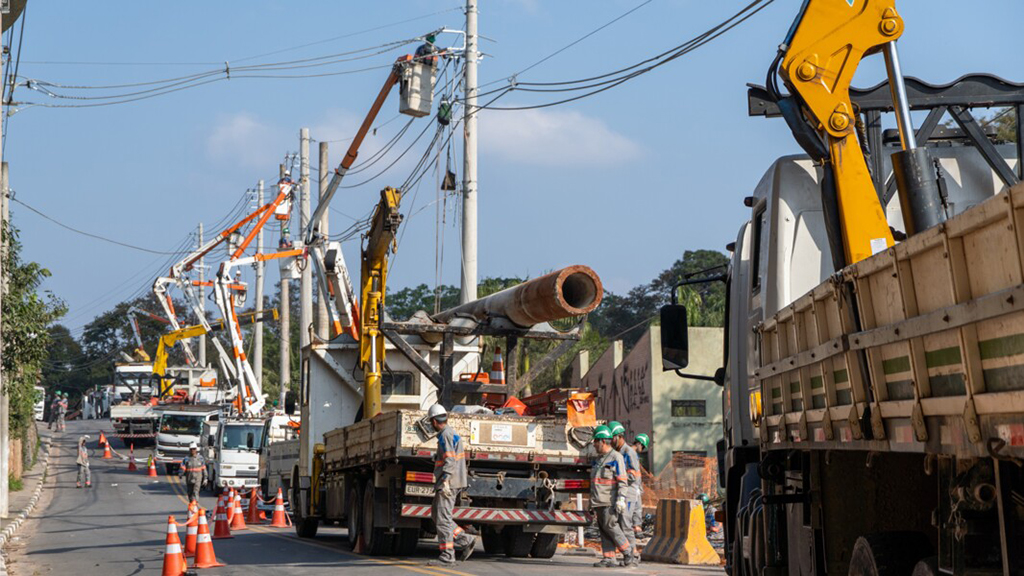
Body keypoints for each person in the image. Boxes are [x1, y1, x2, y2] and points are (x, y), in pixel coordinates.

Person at [427, 404, 474, 567]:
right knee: (436, 515)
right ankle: (465, 539)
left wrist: (446, 480)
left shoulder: (445, 435)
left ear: (434, 421)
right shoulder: (450, 433)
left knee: (442, 520)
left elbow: (449, 460)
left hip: (449, 482)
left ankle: (447, 556)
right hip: (453, 480)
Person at [590, 425, 634, 568]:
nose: (594, 444)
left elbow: (622, 481)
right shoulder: (599, 459)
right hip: (599, 501)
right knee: (604, 530)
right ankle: (609, 558)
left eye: (595, 441)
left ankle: (628, 551)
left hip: (609, 501)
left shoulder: (616, 457)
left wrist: (621, 499)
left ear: (602, 441)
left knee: (611, 527)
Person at [609, 422, 641, 565]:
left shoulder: (629, 452)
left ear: (619, 436)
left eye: (611, 438)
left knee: (626, 524)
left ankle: (633, 556)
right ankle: (630, 554)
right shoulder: (616, 452)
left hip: (628, 492)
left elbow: (633, 475)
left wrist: (616, 476)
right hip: (621, 490)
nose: (610, 441)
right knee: (620, 524)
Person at [631, 433, 650, 540]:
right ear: (639, 443)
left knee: (637, 508)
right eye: (642, 446)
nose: (642, 449)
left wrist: (639, 487)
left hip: (635, 486)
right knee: (636, 508)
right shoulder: (631, 454)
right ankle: (636, 528)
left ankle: (636, 527)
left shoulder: (633, 454)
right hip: (632, 486)